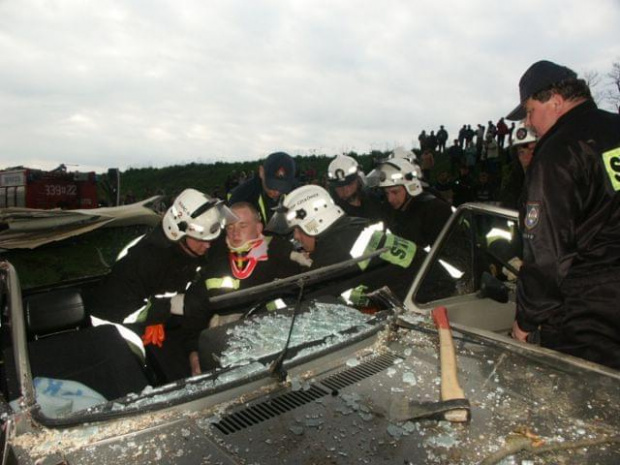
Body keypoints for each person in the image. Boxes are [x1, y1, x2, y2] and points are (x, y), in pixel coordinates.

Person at [506, 60, 620, 369]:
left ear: (555, 100)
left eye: (530, 111)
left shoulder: (558, 150)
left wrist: (528, 319)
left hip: (588, 311)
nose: (528, 123)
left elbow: (546, 250)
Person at [85, 189, 238, 381]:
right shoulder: (145, 260)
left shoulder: (197, 249)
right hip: (116, 327)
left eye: (210, 239)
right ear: (179, 232)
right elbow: (111, 309)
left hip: (168, 323)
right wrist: (156, 312)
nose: (208, 245)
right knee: (156, 375)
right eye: (202, 240)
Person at [182, 202, 303, 375]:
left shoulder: (280, 253)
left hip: (278, 338)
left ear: (259, 227)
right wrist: (194, 355)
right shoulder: (214, 261)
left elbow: (300, 297)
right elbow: (195, 310)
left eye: (243, 225)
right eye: (230, 227)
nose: (235, 232)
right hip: (228, 345)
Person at [266, 185, 424, 302]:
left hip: (429, 306)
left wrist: (269, 303)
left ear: (316, 223)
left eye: (297, 229)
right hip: (424, 295)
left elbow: (309, 300)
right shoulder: (350, 228)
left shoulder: (337, 248)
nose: (296, 236)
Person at [367, 157, 452, 249]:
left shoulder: (436, 211)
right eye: (386, 193)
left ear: (411, 187)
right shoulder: (388, 209)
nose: (390, 199)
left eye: (395, 192)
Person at [228, 151, 297, 225]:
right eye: (272, 185)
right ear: (261, 172)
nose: (276, 192)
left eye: (283, 187)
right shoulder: (241, 197)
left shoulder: (297, 192)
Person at [326, 153, 387, 223]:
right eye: (340, 187)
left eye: (349, 184)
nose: (345, 191)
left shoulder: (375, 201)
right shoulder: (331, 214)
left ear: (359, 180)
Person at [499, 121, 537, 209]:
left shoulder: (553, 181)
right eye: (521, 152)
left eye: (532, 150)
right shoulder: (513, 183)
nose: (526, 158)